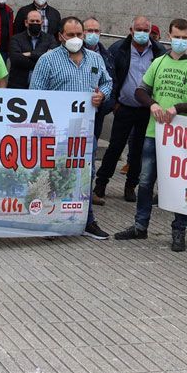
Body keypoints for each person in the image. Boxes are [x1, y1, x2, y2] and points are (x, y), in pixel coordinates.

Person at [113, 19, 187, 252]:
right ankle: (140, 226)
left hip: (183, 138)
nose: (180, 41)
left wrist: (178, 108)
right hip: (154, 132)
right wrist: (152, 104)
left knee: (183, 185)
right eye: (176, 36)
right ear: (169, 36)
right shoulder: (158, 63)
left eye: (184, 37)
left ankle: (179, 230)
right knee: (146, 182)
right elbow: (140, 90)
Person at [29, 17, 113, 240]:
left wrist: (102, 94)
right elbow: (35, 93)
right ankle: (50, 220)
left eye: (79, 34)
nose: (76, 39)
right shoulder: (48, 60)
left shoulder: (95, 58)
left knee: (86, 173)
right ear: (60, 36)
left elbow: (107, 82)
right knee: (56, 173)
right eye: (71, 35)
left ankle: (87, 220)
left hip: (85, 130)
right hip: (56, 131)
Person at [94, 16, 164, 204]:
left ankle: (131, 186)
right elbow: (109, 75)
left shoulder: (158, 51)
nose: (142, 33)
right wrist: (114, 102)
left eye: (145, 30)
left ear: (151, 32)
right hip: (123, 107)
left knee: (139, 150)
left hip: (146, 109)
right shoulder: (119, 49)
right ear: (131, 30)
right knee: (115, 147)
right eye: (138, 29)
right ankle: (101, 184)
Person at [84, 17, 114, 143]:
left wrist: (104, 100)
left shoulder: (106, 55)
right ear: (83, 32)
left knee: (92, 144)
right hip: (73, 108)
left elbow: (111, 82)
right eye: (89, 30)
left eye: (96, 31)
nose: (93, 34)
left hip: (97, 109)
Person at [7, 9, 55, 89]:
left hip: (42, 87)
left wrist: (30, 54)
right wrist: (42, 60)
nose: (35, 23)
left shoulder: (50, 38)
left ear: (42, 23)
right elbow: (16, 59)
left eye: (37, 21)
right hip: (18, 86)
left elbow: (52, 58)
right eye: (32, 21)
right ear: (26, 23)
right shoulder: (16, 39)